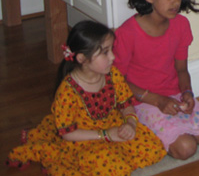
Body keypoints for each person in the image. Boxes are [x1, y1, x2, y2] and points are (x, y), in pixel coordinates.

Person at [7, 21, 166, 175]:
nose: (112, 57)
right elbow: (68, 133)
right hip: (84, 138)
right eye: (105, 52)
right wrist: (105, 135)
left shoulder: (113, 75)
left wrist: (130, 123)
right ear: (82, 58)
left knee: (153, 148)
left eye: (112, 50)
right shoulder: (67, 92)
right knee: (111, 167)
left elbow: (126, 105)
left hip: (113, 125)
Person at [113, 0, 199, 160]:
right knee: (185, 148)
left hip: (175, 94)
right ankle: (163, 133)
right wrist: (157, 100)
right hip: (142, 99)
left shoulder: (180, 25)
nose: (176, 2)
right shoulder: (127, 33)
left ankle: (178, 127)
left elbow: (181, 69)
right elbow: (117, 81)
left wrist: (187, 93)